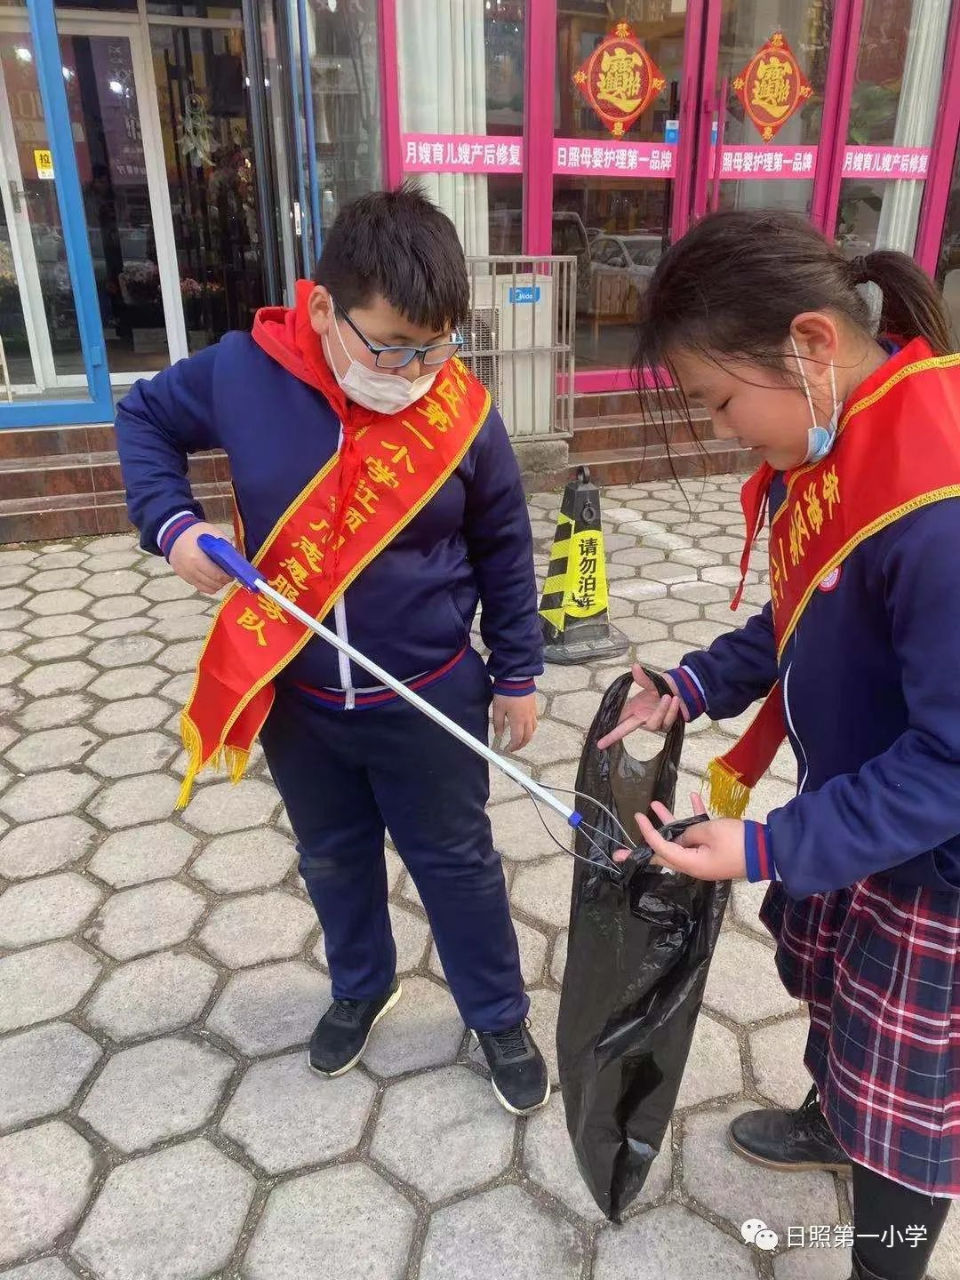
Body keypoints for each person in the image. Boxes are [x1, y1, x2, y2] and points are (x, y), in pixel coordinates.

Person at [114, 184, 550, 1116]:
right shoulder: (242, 373)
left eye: (437, 346)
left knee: (457, 861)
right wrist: (173, 527)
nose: (417, 370)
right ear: (323, 308)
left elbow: (506, 545)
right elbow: (143, 417)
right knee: (332, 857)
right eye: (393, 345)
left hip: (430, 691)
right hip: (303, 701)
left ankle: (496, 1011)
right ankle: (362, 985)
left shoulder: (462, 411)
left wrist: (516, 670)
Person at [599, 209, 958, 1279]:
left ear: (806, 344)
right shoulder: (851, 434)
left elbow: (952, 760)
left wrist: (763, 845)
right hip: (859, 813)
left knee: (907, 1100)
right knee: (838, 996)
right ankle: (830, 1114)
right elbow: (795, 618)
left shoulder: (937, 500)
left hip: (934, 859)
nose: (722, 433)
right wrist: (689, 685)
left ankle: (882, 1253)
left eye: (718, 401)